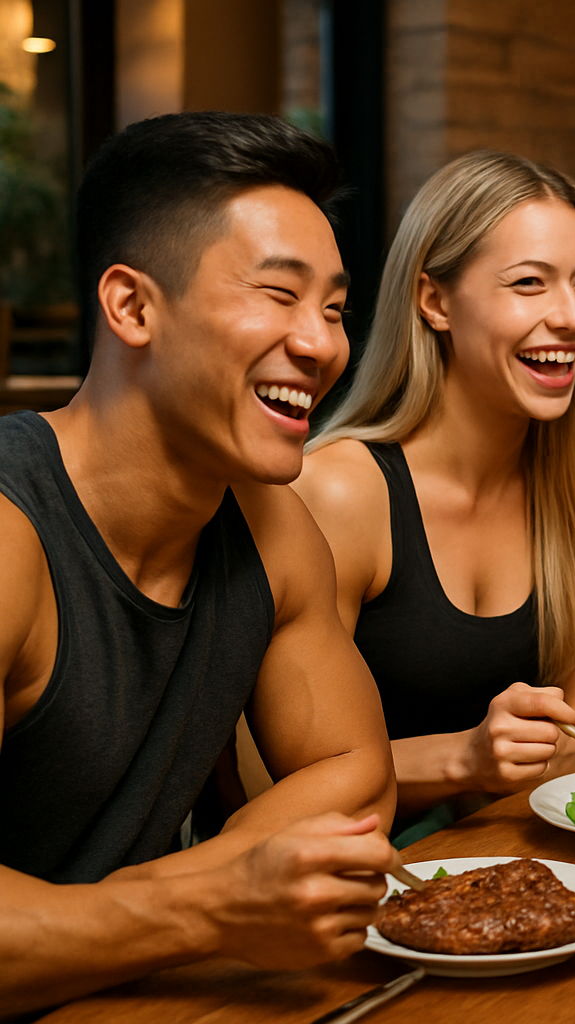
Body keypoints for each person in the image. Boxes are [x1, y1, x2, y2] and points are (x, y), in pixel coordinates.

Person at [0, 112, 397, 1014]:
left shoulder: (269, 526)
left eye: (334, 308)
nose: (323, 343)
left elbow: (357, 774)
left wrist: (136, 918)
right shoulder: (10, 537)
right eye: (280, 294)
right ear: (133, 306)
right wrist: (208, 911)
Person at [294, 151, 575, 839]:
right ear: (435, 301)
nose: (572, 317)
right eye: (529, 283)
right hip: (348, 880)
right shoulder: (338, 488)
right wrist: (463, 761)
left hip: (524, 858)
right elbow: (270, 783)